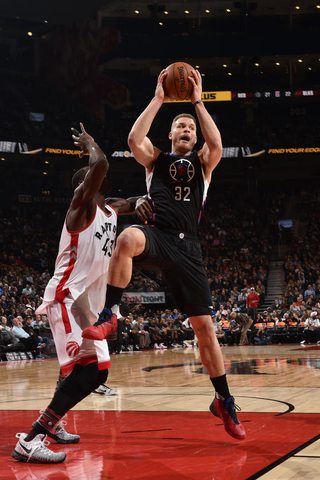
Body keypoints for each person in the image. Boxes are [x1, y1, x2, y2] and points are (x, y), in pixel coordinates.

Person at [82, 69, 246, 440]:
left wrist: (198, 102)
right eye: (180, 126)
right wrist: (159, 97)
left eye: (191, 127)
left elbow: (216, 144)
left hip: (189, 248)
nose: (187, 129)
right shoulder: (155, 160)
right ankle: (110, 314)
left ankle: (223, 400)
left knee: (205, 330)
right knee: (126, 239)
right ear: (170, 134)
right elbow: (133, 137)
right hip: (158, 236)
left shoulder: (204, 163)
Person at [11, 123, 152, 464]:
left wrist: (144, 201)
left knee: (85, 370)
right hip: (67, 298)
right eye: (90, 176)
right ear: (84, 185)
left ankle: (54, 424)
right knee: (92, 372)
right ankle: (30, 440)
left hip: (86, 305)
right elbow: (100, 164)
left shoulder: (107, 210)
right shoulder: (81, 207)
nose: (98, 176)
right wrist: (91, 144)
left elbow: (129, 203)